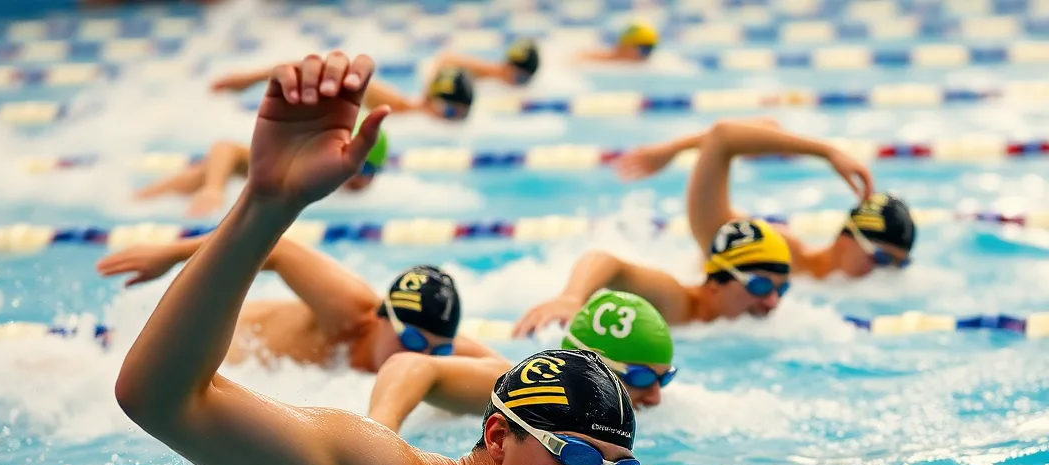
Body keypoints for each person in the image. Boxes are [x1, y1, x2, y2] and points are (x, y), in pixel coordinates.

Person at [115, 52, 641, 465]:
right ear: (496, 440)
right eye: (577, 455)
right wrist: (266, 204)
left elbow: (453, 371)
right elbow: (159, 399)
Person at [98, 236, 499, 371]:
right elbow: (275, 247)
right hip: (173, 344)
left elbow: (499, 372)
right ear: (381, 317)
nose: (424, 357)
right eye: (411, 341)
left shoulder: (429, 351)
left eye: (440, 350)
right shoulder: (348, 307)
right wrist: (169, 253)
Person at [612, 118, 915, 278]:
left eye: (896, 265)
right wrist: (828, 152)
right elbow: (724, 135)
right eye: (881, 258)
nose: (883, 273)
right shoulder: (757, 246)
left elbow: (764, 127)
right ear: (848, 236)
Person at [370, 290, 675, 432]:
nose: (657, 396)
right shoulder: (532, 391)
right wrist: (380, 433)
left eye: (665, 378)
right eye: (643, 379)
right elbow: (408, 365)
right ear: (597, 366)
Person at [514, 217, 793, 335]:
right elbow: (607, 261)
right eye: (760, 285)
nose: (772, 302)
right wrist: (572, 297)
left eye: (781, 290)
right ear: (714, 283)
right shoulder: (675, 301)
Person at [133, 127, 388, 217]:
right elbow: (225, 147)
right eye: (358, 167)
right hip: (162, 201)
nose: (360, 176)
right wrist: (213, 190)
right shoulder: (295, 169)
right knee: (201, 176)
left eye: (369, 170)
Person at [211, 64, 475, 121]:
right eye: (449, 111)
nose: (449, 121)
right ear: (428, 99)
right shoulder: (396, 104)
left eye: (458, 116)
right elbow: (315, 67)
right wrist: (249, 78)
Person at [428, 37, 540, 86]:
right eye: (519, 78)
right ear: (506, 67)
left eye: (524, 79)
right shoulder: (487, 70)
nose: (517, 84)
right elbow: (446, 58)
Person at [577, 20, 659, 63]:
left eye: (648, 50)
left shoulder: (647, 64)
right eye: (643, 50)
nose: (644, 55)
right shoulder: (599, 57)